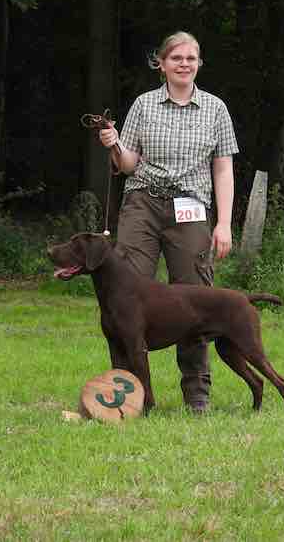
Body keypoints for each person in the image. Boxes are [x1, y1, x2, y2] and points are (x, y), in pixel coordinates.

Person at [99, 31, 238, 414]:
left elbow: (223, 169)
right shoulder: (144, 105)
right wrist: (114, 144)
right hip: (142, 204)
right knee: (123, 296)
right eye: (176, 57)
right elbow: (127, 164)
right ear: (161, 63)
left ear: (199, 63)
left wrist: (223, 223)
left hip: (191, 208)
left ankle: (197, 394)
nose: (184, 64)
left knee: (194, 298)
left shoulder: (216, 109)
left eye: (191, 58)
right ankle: (126, 394)